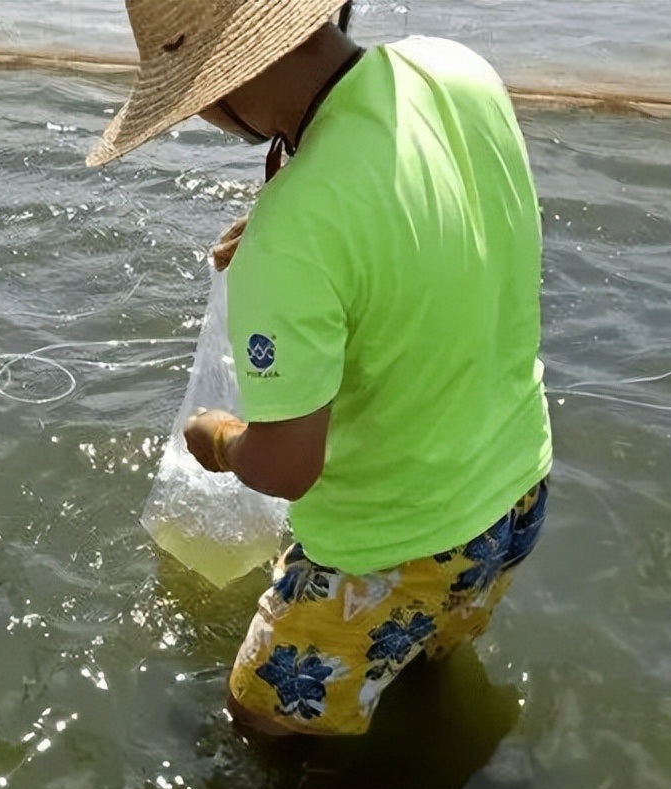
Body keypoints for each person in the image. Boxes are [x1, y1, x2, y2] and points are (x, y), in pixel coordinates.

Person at [87, 0, 553, 736]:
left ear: (227, 83)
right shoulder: (456, 68)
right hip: (516, 490)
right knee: (426, 670)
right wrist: (294, 230)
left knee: (260, 721)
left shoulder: (293, 233)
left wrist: (220, 439)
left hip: (393, 546)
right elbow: (420, 224)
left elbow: (285, 468)